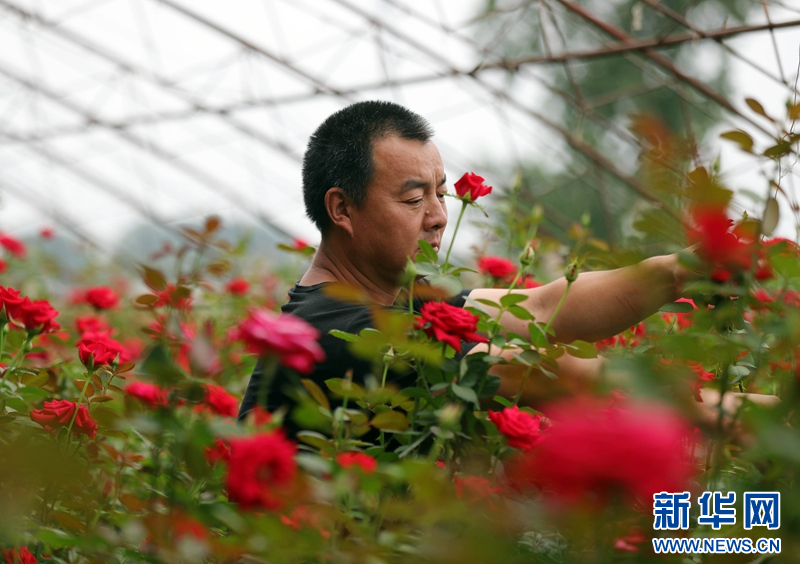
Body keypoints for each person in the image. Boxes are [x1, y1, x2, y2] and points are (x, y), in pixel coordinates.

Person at [238, 100, 774, 433]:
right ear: (341, 209)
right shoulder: (337, 333)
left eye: (441, 195)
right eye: (412, 200)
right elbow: (544, 374)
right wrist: (767, 416)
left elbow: (542, 306)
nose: (439, 218)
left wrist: (678, 270)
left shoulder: (401, 303)